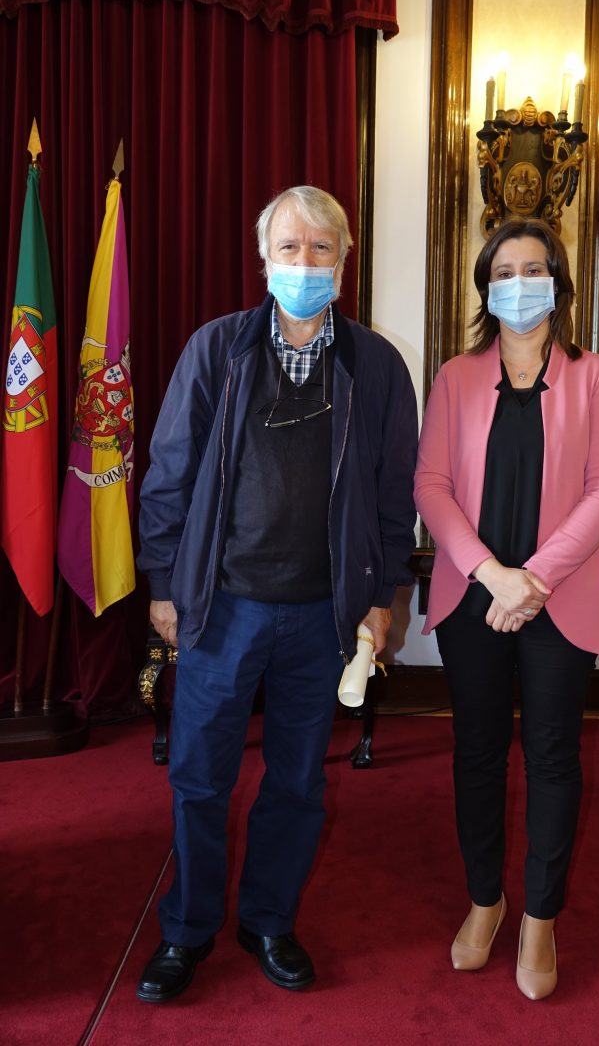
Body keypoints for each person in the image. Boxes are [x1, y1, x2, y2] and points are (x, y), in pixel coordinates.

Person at [135, 186, 418, 1002]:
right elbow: (169, 473)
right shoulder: (215, 350)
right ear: (264, 261)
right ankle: (187, 929)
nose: (304, 263)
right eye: (289, 248)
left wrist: (382, 595)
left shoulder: (377, 366)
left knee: (297, 781)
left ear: (343, 262)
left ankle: (267, 920)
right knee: (199, 778)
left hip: (323, 616)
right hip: (222, 606)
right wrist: (165, 584)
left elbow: (393, 494)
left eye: (321, 248)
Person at [414, 218, 599, 1001]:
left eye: (533, 269)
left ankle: (539, 916)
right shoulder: (454, 377)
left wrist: (530, 579)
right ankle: (486, 900)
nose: (518, 284)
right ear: (485, 288)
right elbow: (431, 486)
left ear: (558, 283)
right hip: (473, 599)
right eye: (503, 272)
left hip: (558, 598)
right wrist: (490, 575)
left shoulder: (594, 377)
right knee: (476, 753)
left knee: (552, 757)